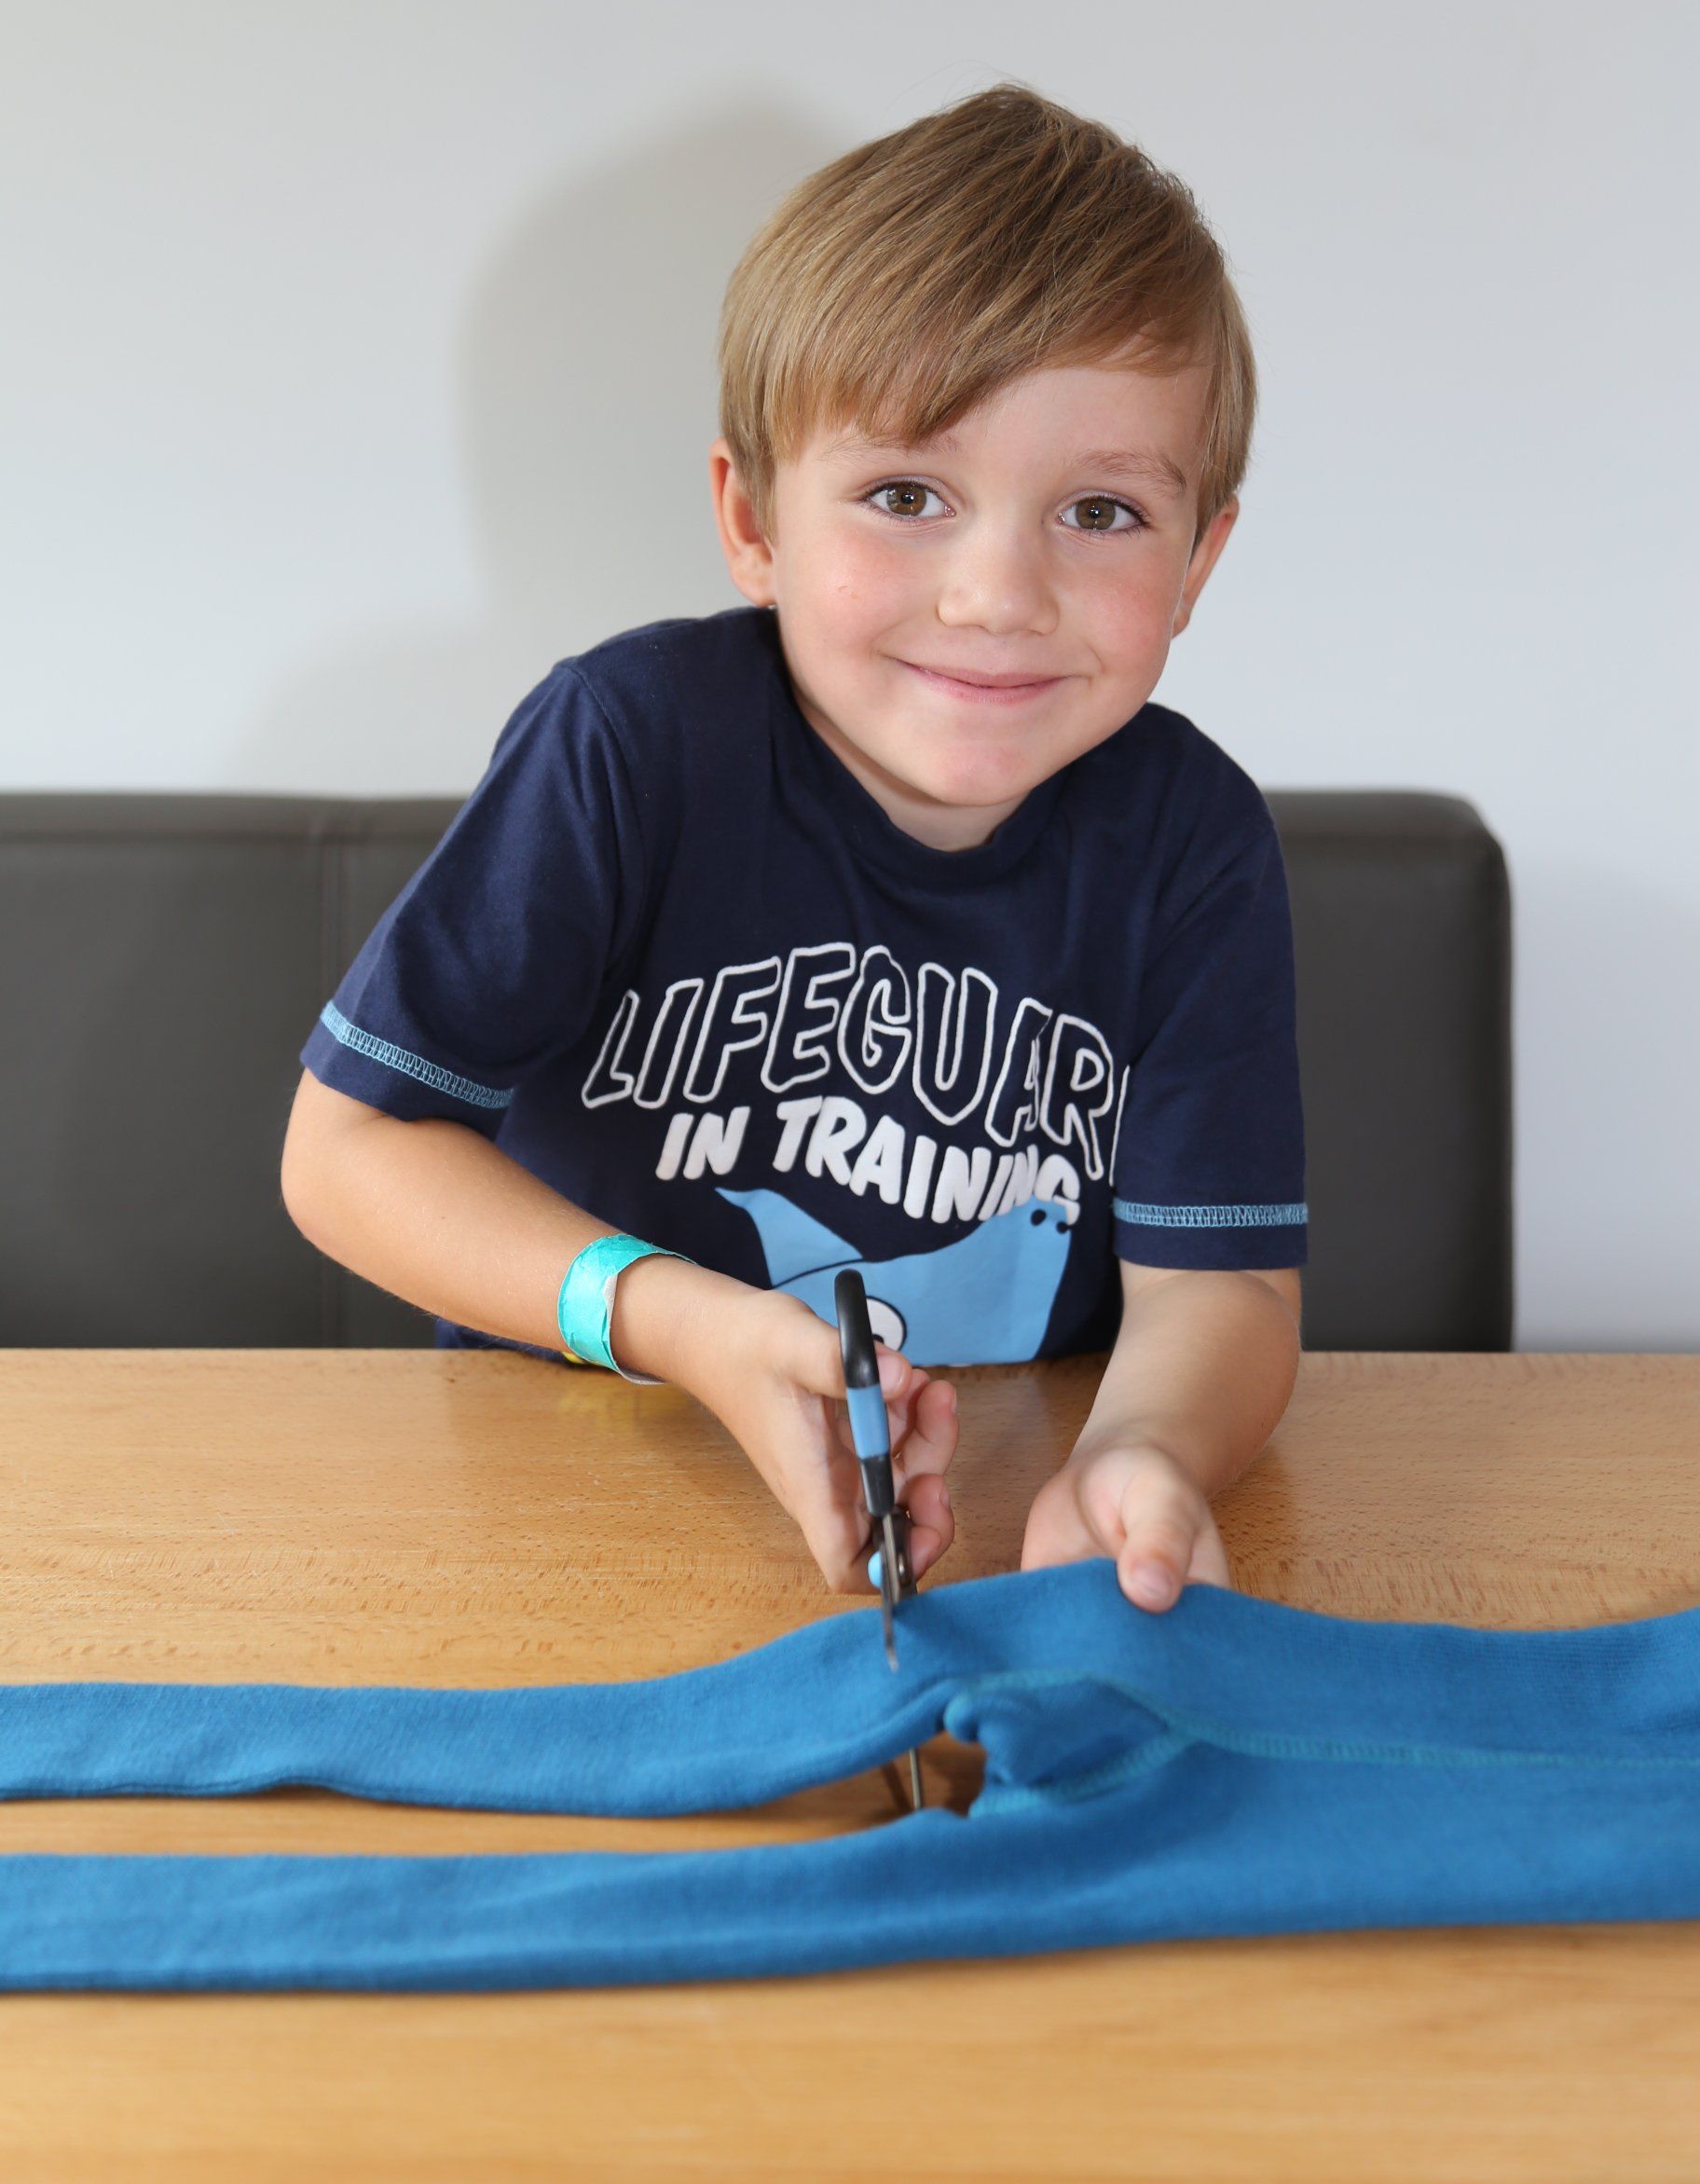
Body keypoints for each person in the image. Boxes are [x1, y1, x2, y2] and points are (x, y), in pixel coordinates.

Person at [280, 82, 1307, 1617]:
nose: (997, 594)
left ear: (1200, 560)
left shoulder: (1194, 845)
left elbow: (1224, 1288)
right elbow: (344, 1155)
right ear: (752, 521)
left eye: (1099, 513)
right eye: (906, 495)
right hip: (565, 1508)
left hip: (987, 1539)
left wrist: (1144, 1449)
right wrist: (680, 1322)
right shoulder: (626, 748)